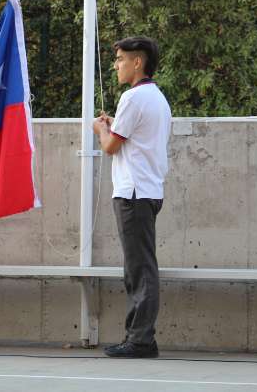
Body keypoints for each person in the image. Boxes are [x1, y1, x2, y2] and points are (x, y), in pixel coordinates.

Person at [92, 36, 171, 358]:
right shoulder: (156, 98)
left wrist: (99, 129)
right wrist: (113, 126)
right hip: (147, 190)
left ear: (138, 62)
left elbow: (111, 146)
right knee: (139, 266)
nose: (116, 65)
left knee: (139, 269)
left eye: (121, 59)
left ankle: (140, 340)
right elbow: (134, 137)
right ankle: (139, 337)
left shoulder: (133, 97)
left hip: (134, 193)